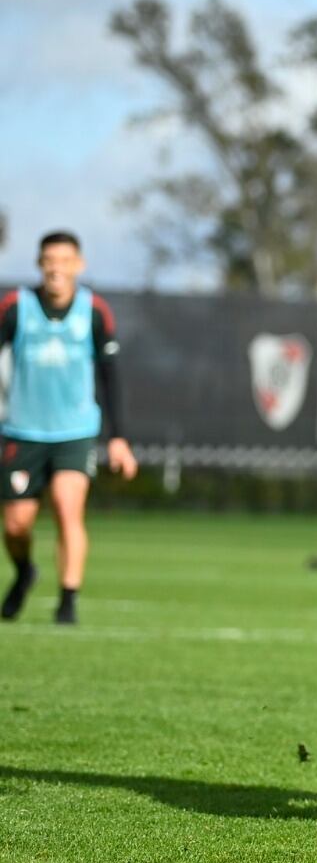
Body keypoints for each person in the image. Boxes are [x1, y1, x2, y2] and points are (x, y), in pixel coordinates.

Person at [0, 231, 137, 626]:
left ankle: (67, 601)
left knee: (67, 505)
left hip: (75, 431)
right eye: (48, 260)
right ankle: (25, 571)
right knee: (15, 525)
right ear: (39, 265)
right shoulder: (16, 307)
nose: (56, 268)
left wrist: (118, 438)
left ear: (79, 265)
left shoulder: (93, 310)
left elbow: (110, 375)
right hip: (23, 431)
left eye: (64, 260)